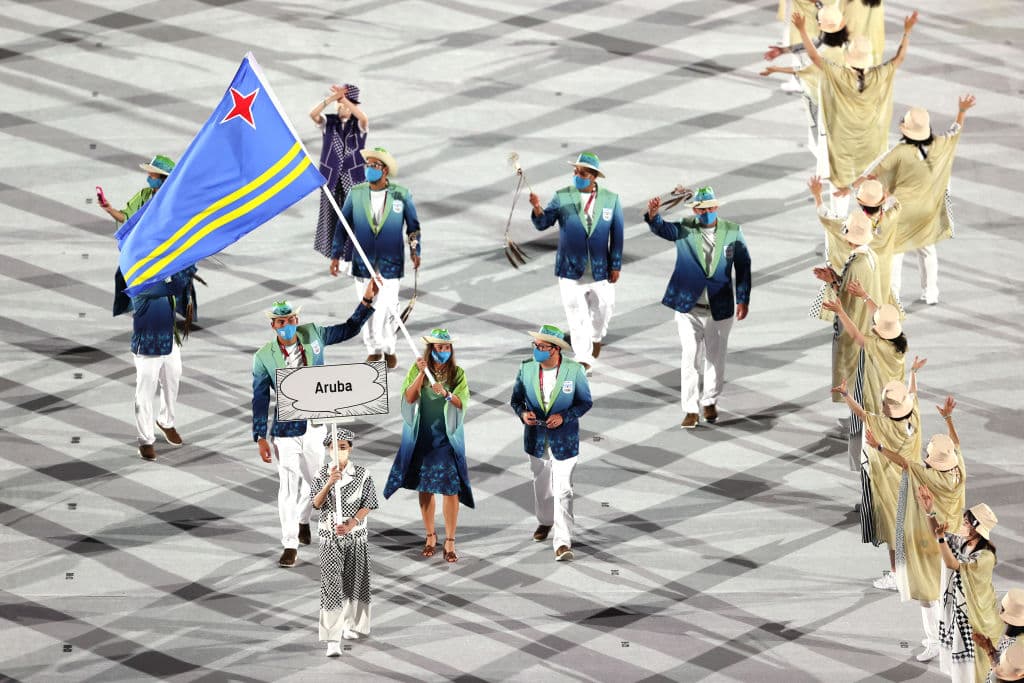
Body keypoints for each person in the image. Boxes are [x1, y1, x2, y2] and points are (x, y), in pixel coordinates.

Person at [251, 281, 378, 568]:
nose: (287, 325)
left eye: (291, 320)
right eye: (281, 322)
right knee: (287, 485)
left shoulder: (315, 334)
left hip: (316, 425)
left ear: (297, 320)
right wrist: (260, 435)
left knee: (318, 481)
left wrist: (367, 302)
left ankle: (303, 517)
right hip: (285, 430)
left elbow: (348, 329)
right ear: (274, 326)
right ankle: (289, 543)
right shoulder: (263, 358)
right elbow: (260, 398)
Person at [846, 94, 977, 305]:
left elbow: (875, 171)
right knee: (926, 250)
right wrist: (962, 110)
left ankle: (894, 295)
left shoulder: (900, 152)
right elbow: (955, 130)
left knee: (896, 252)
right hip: (928, 210)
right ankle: (931, 292)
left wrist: (853, 185)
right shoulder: (940, 145)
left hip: (902, 210)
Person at [865, 396, 966, 663]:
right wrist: (948, 419)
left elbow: (903, 462)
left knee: (927, 593)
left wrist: (878, 446)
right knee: (946, 591)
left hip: (930, 538)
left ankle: (934, 641)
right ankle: (947, 637)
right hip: (954, 540)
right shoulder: (959, 471)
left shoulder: (928, 475)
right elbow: (956, 444)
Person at [644, 186, 751, 429]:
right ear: (694, 209)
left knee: (715, 357)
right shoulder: (685, 228)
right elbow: (663, 229)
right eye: (701, 208)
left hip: (720, 308)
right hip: (688, 307)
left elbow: (743, 265)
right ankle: (690, 408)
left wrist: (743, 298)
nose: (706, 212)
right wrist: (653, 216)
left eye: (710, 207)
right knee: (690, 357)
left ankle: (710, 401)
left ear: (717, 207)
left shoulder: (733, 231)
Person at [793, 9, 918, 209]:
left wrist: (802, 30)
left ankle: (839, 225)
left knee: (838, 192)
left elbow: (815, 58)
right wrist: (906, 32)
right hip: (871, 139)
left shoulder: (840, 74)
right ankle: (872, 223)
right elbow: (899, 58)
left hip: (841, 139)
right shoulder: (879, 74)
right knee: (872, 184)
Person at [383, 328, 473, 563]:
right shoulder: (418, 368)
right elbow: (409, 397)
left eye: (445, 347)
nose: (442, 351)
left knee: (451, 488)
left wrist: (445, 393)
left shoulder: (458, 374)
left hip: (446, 439)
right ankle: (431, 536)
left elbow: (462, 402)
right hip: (423, 437)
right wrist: (421, 374)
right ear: (431, 349)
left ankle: (450, 540)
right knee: (426, 486)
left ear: (450, 349)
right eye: (437, 347)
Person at [528, 152, 624, 372]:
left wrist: (616, 264)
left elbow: (617, 234)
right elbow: (544, 223)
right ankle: (583, 357)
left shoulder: (611, 200)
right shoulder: (562, 196)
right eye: (575, 171)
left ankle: (597, 336)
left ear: (593, 177)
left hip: (601, 269)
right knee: (576, 314)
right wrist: (537, 208)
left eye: (582, 172)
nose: (577, 175)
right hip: (570, 269)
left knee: (604, 308)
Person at [328, 147, 420, 369]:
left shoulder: (402, 194)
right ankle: (373, 349)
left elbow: (413, 228)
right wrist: (336, 254)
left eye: (374, 166)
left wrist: (415, 251)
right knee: (367, 306)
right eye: (367, 165)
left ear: (385, 170)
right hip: (363, 262)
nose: (369, 169)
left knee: (389, 307)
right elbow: (343, 225)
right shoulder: (356, 193)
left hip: (390, 263)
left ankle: (389, 348)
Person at [834, 370, 923, 591]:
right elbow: (913, 393)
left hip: (890, 486)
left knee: (893, 532)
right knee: (906, 529)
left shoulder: (883, 425)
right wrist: (913, 373)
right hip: (913, 484)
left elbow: (862, 414)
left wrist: (846, 395)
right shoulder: (914, 418)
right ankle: (908, 570)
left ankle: (896, 575)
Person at [510, 325, 592, 561]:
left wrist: (564, 416)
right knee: (541, 484)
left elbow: (585, 402)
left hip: (564, 440)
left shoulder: (574, 370)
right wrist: (523, 415)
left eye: (543, 347)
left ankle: (563, 542)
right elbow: (516, 400)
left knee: (563, 489)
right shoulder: (526, 368)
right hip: (536, 439)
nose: (538, 350)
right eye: (535, 346)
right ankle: (545, 521)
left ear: (556, 349)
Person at [813, 210, 883, 468]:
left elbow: (845, 303)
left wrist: (834, 285)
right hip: (867, 330)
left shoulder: (856, 263)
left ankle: (862, 458)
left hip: (856, 335)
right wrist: (834, 278)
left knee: (856, 392)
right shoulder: (869, 257)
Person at [917, 487, 1001, 683]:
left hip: (977, 618)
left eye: (965, 523)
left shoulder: (986, 556)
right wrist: (930, 512)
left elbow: (952, 563)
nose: (962, 525)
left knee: (977, 668)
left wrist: (940, 538)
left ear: (976, 527)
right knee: (964, 669)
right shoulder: (965, 542)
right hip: (961, 613)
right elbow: (942, 537)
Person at [311, 429, 379, 657]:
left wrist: (353, 522)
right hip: (330, 539)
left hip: (356, 537)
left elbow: (369, 503)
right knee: (331, 585)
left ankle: (351, 624)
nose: (338, 451)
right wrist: (329, 483)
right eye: (333, 447)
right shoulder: (321, 474)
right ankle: (332, 638)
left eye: (343, 446)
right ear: (328, 450)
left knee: (356, 581)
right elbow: (317, 504)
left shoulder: (363, 474)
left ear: (350, 448)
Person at [127, 266, 197, 461]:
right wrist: (188, 264)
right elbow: (174, 287)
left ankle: (166, 421)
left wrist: (188, 259)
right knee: (144, 394)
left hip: (169, 340)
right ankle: (145, 441)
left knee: (173, 379)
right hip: (148, 346)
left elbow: (178, 288)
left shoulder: (164, 275)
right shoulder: (138, 282)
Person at [810, 176, 902, 308]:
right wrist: (880, 188)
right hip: (883, 284)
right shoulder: (891, 217)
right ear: (882, 200)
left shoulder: (851, 226)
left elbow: (826, 216)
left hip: (857, 285)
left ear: (859, 203)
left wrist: (817, 195)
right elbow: (895, 201)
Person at [309, 84, 369, 260]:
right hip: (332, 179)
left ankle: (354, 254)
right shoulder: (330, 123)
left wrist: (345, 100)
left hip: (353, 179)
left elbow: (364, 118)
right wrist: (331, 99)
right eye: (341, 104)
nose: (343, 107)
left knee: (354, 218)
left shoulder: (358, 125)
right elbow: (313, 115)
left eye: (348, 105)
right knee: (331, 218)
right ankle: (335, 256)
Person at [974, 589, 1024, 683]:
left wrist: (988, 649)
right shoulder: (1015, 640)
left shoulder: (1015, 646)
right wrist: (990, 649)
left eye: (1002, 608)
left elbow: (1002, 673)